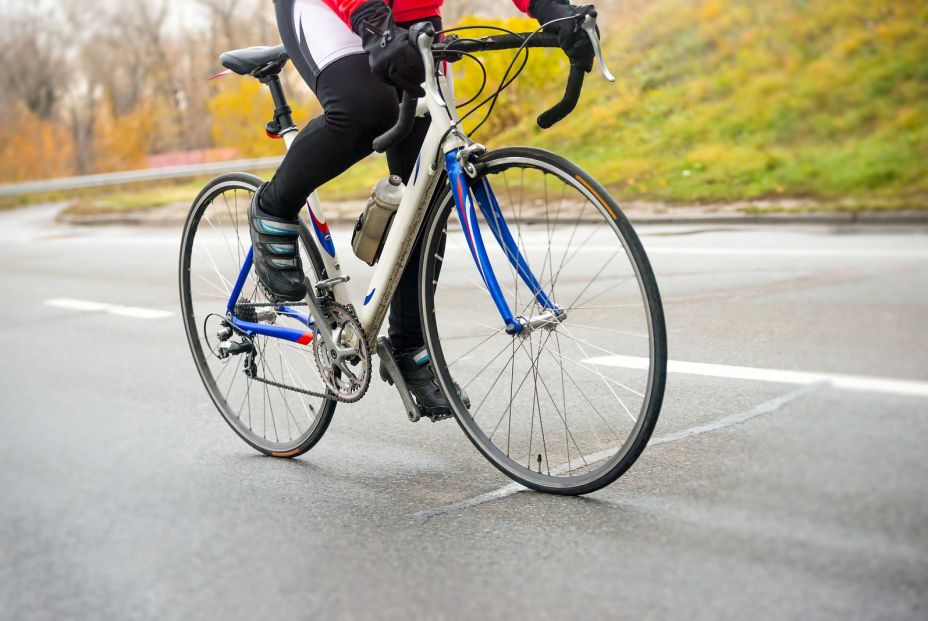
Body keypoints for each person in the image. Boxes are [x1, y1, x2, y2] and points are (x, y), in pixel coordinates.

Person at [250, 0, 594, 417]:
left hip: (413, 15)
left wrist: (549, 8)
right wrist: (373, 25)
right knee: (366, 110)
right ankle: (273, 207)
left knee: (427, 182)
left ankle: (410, 344)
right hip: (335, 8)